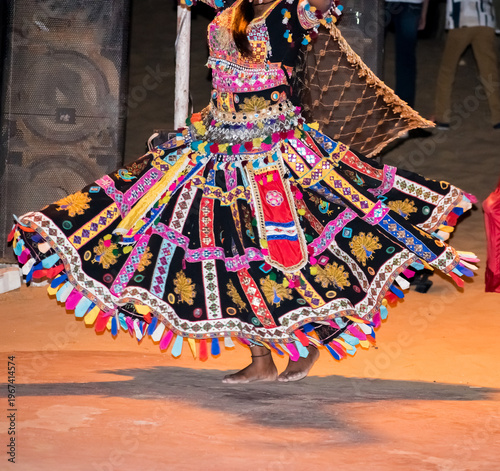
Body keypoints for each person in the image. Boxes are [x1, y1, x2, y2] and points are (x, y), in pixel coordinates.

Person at [11, 0, 477, 384]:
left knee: (289, 251)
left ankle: (306, 343)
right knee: (226, 253)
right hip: (214, 147)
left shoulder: (294, 10)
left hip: (274, 154)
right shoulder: (225, 9)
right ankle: (260, 360)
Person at [434, 0, 500, 129]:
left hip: (462, 19)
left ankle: (442, 117)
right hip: (485, 19)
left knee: (447, 70)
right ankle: (498, 117)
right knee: (489, 71)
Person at [385, 0, 430, 109]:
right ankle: (404, 107)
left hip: (385, 4)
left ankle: (366, 100)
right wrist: (424, 13)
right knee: (406, 57)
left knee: (370, 51)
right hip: (412, 5)